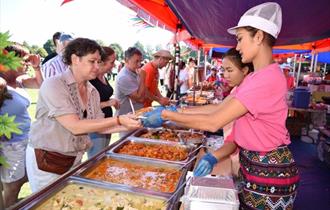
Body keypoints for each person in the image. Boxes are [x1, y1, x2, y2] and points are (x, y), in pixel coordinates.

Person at [142, 2, 299, 209]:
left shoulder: (267, 78)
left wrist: (166, 116)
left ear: (259, 37)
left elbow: (214, 120)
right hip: (256, 164)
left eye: (241, 39)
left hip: (269, 170)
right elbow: (220, 108)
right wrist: (178, 110)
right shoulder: (257, 76)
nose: (238, 46)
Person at [26, 38, 141, 193]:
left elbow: (100, 125)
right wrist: (119, 119)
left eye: (98, 62)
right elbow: (75, 126)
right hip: (48, 160)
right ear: (75, 59)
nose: (97, 66)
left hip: (73, 159)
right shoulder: (54, 84)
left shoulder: (91, 90)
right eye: (92, 61)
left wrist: (131, 124)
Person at [0, 44, 42, 208]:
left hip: (26, 140)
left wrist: (36, 67)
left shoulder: (18, 81)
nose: (26, 64)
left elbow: (40, 84)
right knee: (13, 187)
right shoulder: (2, 84)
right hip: (10, 145)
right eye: (23, 60)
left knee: (25, 178)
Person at [87, 46, 120, 159]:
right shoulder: (90, 79)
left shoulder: (103, 77)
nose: (114, 65)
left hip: (107, 121)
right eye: (112, 62)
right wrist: (108, 103)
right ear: (102, 62)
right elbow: (86, 107)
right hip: (96, 124)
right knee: (96, 157)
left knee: (104, 154)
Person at [114, 47, 145, 137]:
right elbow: (140, 98)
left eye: (140, 61)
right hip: (126, 119)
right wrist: (143, 78)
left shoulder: (134, 72)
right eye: (136, 61)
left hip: (135, 117)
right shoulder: (124, 77)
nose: (139, 64)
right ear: (127, 60)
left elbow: (144, 92)